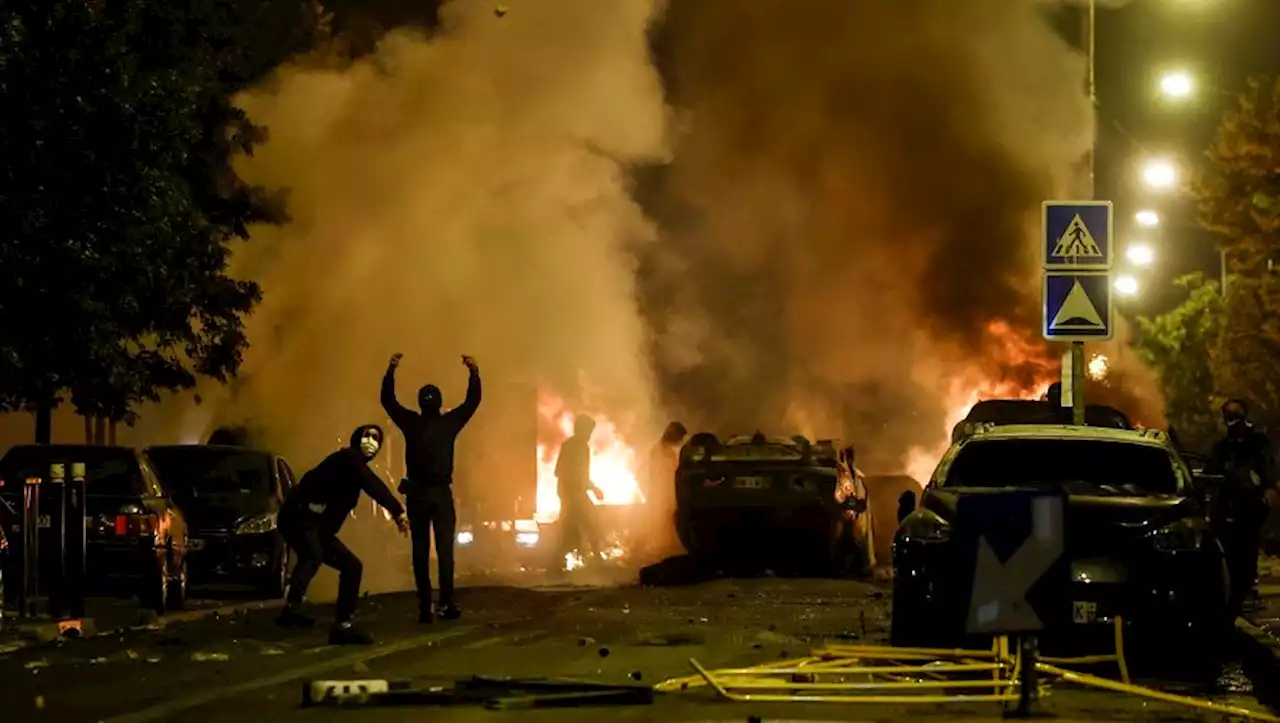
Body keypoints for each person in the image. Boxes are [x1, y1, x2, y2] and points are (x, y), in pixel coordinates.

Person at [277, 424, 408, 644]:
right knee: (312, 555)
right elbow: (373, 485)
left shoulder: (353, 468)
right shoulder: (348, 459)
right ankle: (292, 609)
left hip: (315, 525)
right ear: (356, 439)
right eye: (367, 436)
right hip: (299, 517)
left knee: (351, 566)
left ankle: (341, 625)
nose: (371, 442)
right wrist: (397, 511)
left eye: (376, 439)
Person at [381, 352, 481, 623]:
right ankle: (446, 602)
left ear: (420, 403)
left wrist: (391, 370)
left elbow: (387, 402)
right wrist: (473, 372)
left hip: (417, 495)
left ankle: (425, 606)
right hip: (439, 494)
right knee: (445, 551)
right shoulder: (449, 423)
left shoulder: (411, 423)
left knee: (420, 551)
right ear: (439, 402)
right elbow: (472, 402)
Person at [1206, 398, 1278, 617]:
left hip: (1249, 506)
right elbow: (1212, 473)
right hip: (1227, 508)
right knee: (1228, 553)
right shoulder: (1222, 447)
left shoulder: (1257, 443)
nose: (1231, 420)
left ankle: (1246, 591)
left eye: (1234, 415)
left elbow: (1269, 470)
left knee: (1247, 550)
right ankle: (1234, 595)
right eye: (1228, 415)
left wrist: (1267, 490)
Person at [556, 415, 603, 567]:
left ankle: (557, 561)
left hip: (573, 493)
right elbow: (561, 471)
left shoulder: (573, 445)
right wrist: (584, 489)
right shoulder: (578, 447)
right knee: (588, 523)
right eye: (589, 431)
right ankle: (596, 559)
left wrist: (592, 487)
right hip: (573, 494)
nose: (589, 435)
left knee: (575, 526)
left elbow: (572, 473)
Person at [644, 422, 687, 559]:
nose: (680, 441)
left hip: (668, 492)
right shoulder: (660, 451)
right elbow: (659, 474)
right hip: (662, 494)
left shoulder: (664, 450)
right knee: (664, 522)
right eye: (679, 438)